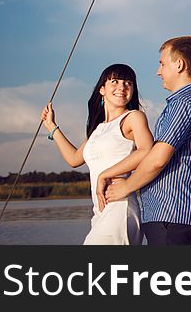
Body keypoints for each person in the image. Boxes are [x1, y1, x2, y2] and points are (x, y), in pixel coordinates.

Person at [104, 36, 191, 245]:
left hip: (172, 218)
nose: (158, 71)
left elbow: (157, 159)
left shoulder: (184, 104)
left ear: (179, 65)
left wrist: (126, 186)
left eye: (162, 63)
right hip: (177, 218)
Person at [40, 63, 153, 245]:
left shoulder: (133, 117)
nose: (122, 87)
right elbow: (74, 159)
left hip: (120, 206)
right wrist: (52, 127)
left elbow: (146, 150)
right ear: (102, 89)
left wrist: (105, 175)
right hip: (100, 212)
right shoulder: (98, 129)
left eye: (128, 83)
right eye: (115, 81)